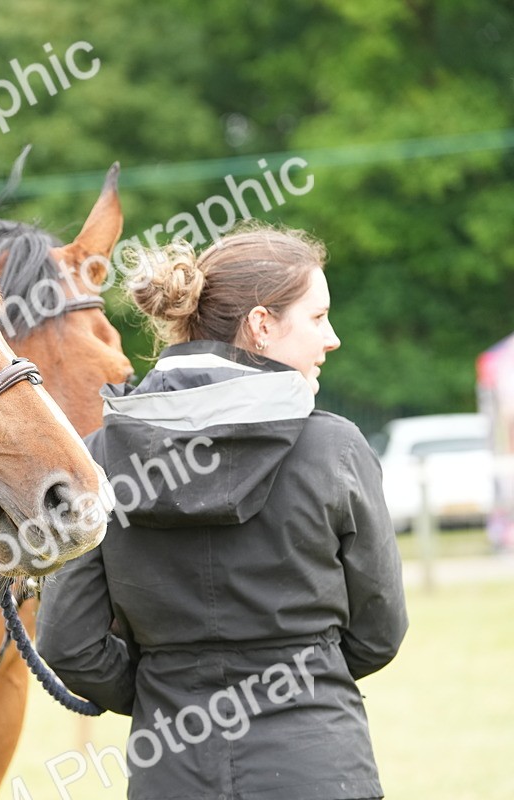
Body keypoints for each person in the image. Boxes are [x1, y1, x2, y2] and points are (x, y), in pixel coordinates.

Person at [37, 225, 408, 800]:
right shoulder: (337, 449)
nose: (332, 338)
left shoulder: (101, 456)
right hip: (320, 765)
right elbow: (380, 628)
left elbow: (68, 642)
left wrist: (167, 695)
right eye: (317, 318)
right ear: (262, 324)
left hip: (169, 768)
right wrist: (309, 681)